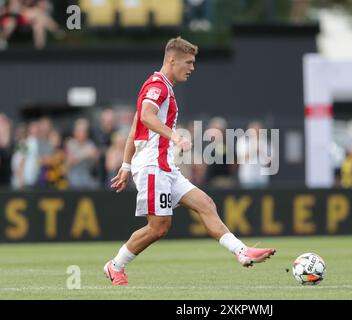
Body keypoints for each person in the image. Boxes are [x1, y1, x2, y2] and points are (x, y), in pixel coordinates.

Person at [104, 37, 276, 285]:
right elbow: (146, 116)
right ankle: (115, 265)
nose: (192, 67)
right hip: (153, 165)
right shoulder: (158, 86)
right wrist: (174, 136)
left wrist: (126, 166)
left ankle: (242, 251)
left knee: (205, 203)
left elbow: (134, 128)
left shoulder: (163, 88)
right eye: (189, 61)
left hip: (164, 166)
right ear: (172, 60)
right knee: (159, 227)